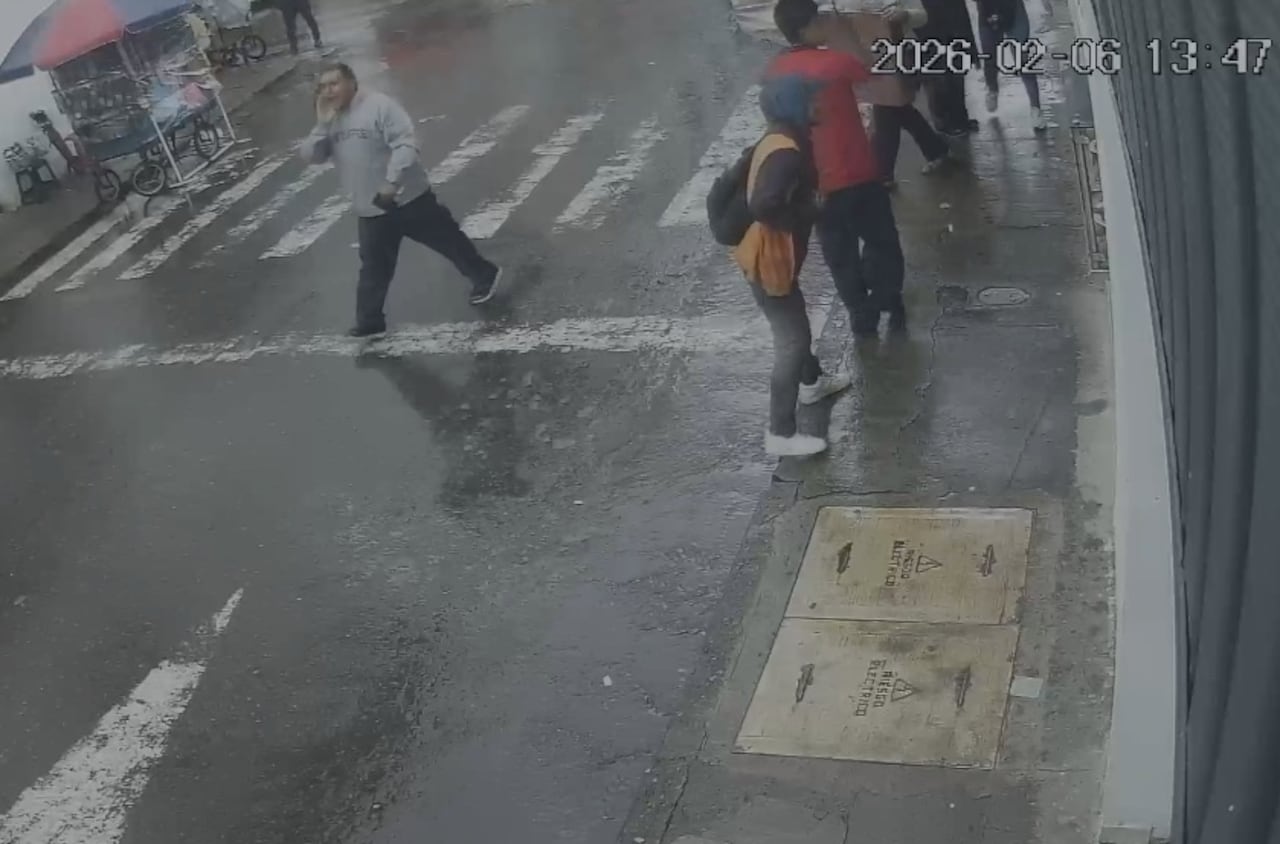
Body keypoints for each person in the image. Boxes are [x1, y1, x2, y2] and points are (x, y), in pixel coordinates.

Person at [300, 64, 502, 338]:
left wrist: (392, 183)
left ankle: (484, 275)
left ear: (352, 82)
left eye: (334, 84)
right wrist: (322, 124)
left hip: (407, 197)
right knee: (373, 265)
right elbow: (313, 157)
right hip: (370, 207)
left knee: (447, 241)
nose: (328, 91)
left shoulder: (380, 106)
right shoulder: (331, 119)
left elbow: (405, 144)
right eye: (323, 87)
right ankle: (370, 321)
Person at [765, 0, 908, 336]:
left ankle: (860, 314)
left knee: (839, 253)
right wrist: (846, 32)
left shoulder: (773, 73)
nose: (824, 23)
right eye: (819, 19)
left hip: (816, 183)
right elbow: (872, 68)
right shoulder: (836, 63)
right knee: (881, 240)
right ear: (806, 27)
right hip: (858, 173)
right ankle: (886, 298)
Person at [734, 76, 852, 457]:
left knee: (795, 323)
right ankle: (780, 434)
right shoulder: (787, 152)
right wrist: (809, 211)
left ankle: (813, 381)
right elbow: (765, 205)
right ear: (796, 106)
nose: (820, 104)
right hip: (771, 260)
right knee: (793, 340)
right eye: (813, 99)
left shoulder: (780, 138)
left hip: (770, 255)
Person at [974, 0, 1046, 130]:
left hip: (1014, 10)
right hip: (987, 11)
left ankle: (1036, 108)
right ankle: (992, 89)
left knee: (1022, 60)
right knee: (990, 57)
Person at [918, 0, 979, 135]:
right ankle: (944, 122)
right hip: (929, 27)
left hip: (953, 23)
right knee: (940, 78)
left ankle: (960, 118)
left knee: (957, 73)